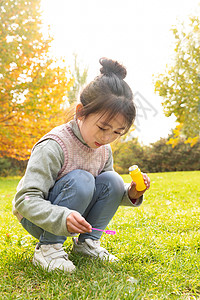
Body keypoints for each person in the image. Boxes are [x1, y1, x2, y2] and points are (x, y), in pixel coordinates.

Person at [13, 58, 150, 273]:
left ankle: (88, 243)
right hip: (40, 219)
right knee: (82, 179)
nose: (107, 138)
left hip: (74, 215)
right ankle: (48, 248)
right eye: (103, 127)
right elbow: (25, 199)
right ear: (80, 113)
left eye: (117, 132)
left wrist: (131, 193)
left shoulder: (103, 150)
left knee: (113, 179)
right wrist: (62, 216)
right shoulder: (54, 145)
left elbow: (106, 192)